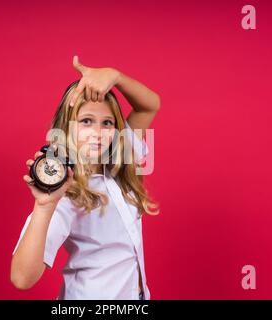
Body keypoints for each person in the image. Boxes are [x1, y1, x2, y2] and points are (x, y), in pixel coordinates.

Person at [11, 56, 160, 300]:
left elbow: (150, 105)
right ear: (67, 127)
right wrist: (44, 206)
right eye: (86, 121)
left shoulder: (119, 165)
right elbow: (21, 277)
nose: (98, 133)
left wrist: (115, 76)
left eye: (107, 123)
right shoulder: (65, 192)